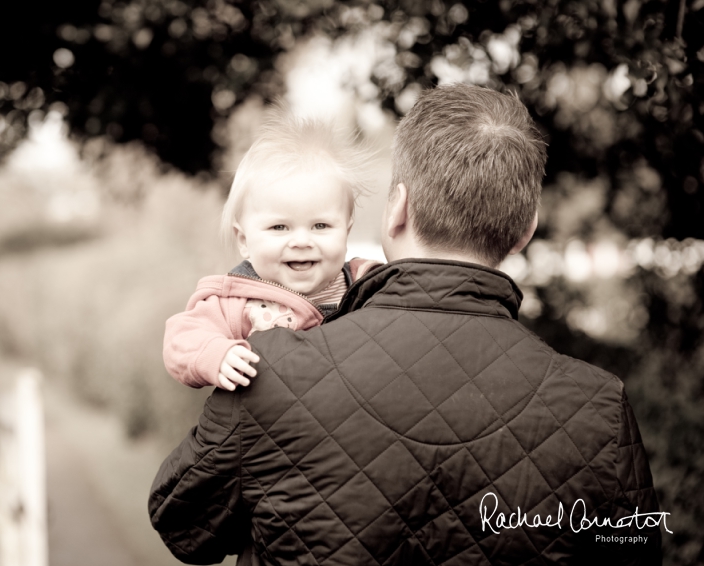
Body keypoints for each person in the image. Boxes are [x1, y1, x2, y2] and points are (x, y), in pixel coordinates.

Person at [149, 85, 663, 565]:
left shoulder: (269, 370)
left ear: (395, 209)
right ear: (525, 230)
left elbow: (184, 526)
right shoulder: (600, 408)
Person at [163, 114, 379, 391]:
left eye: (321, 225)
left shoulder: (368, 284)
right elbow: (181, 337)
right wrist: (216, 354)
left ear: (346, 232)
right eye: (279, 227)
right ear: (244, 240)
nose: (301, 241)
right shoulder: (236, 302)